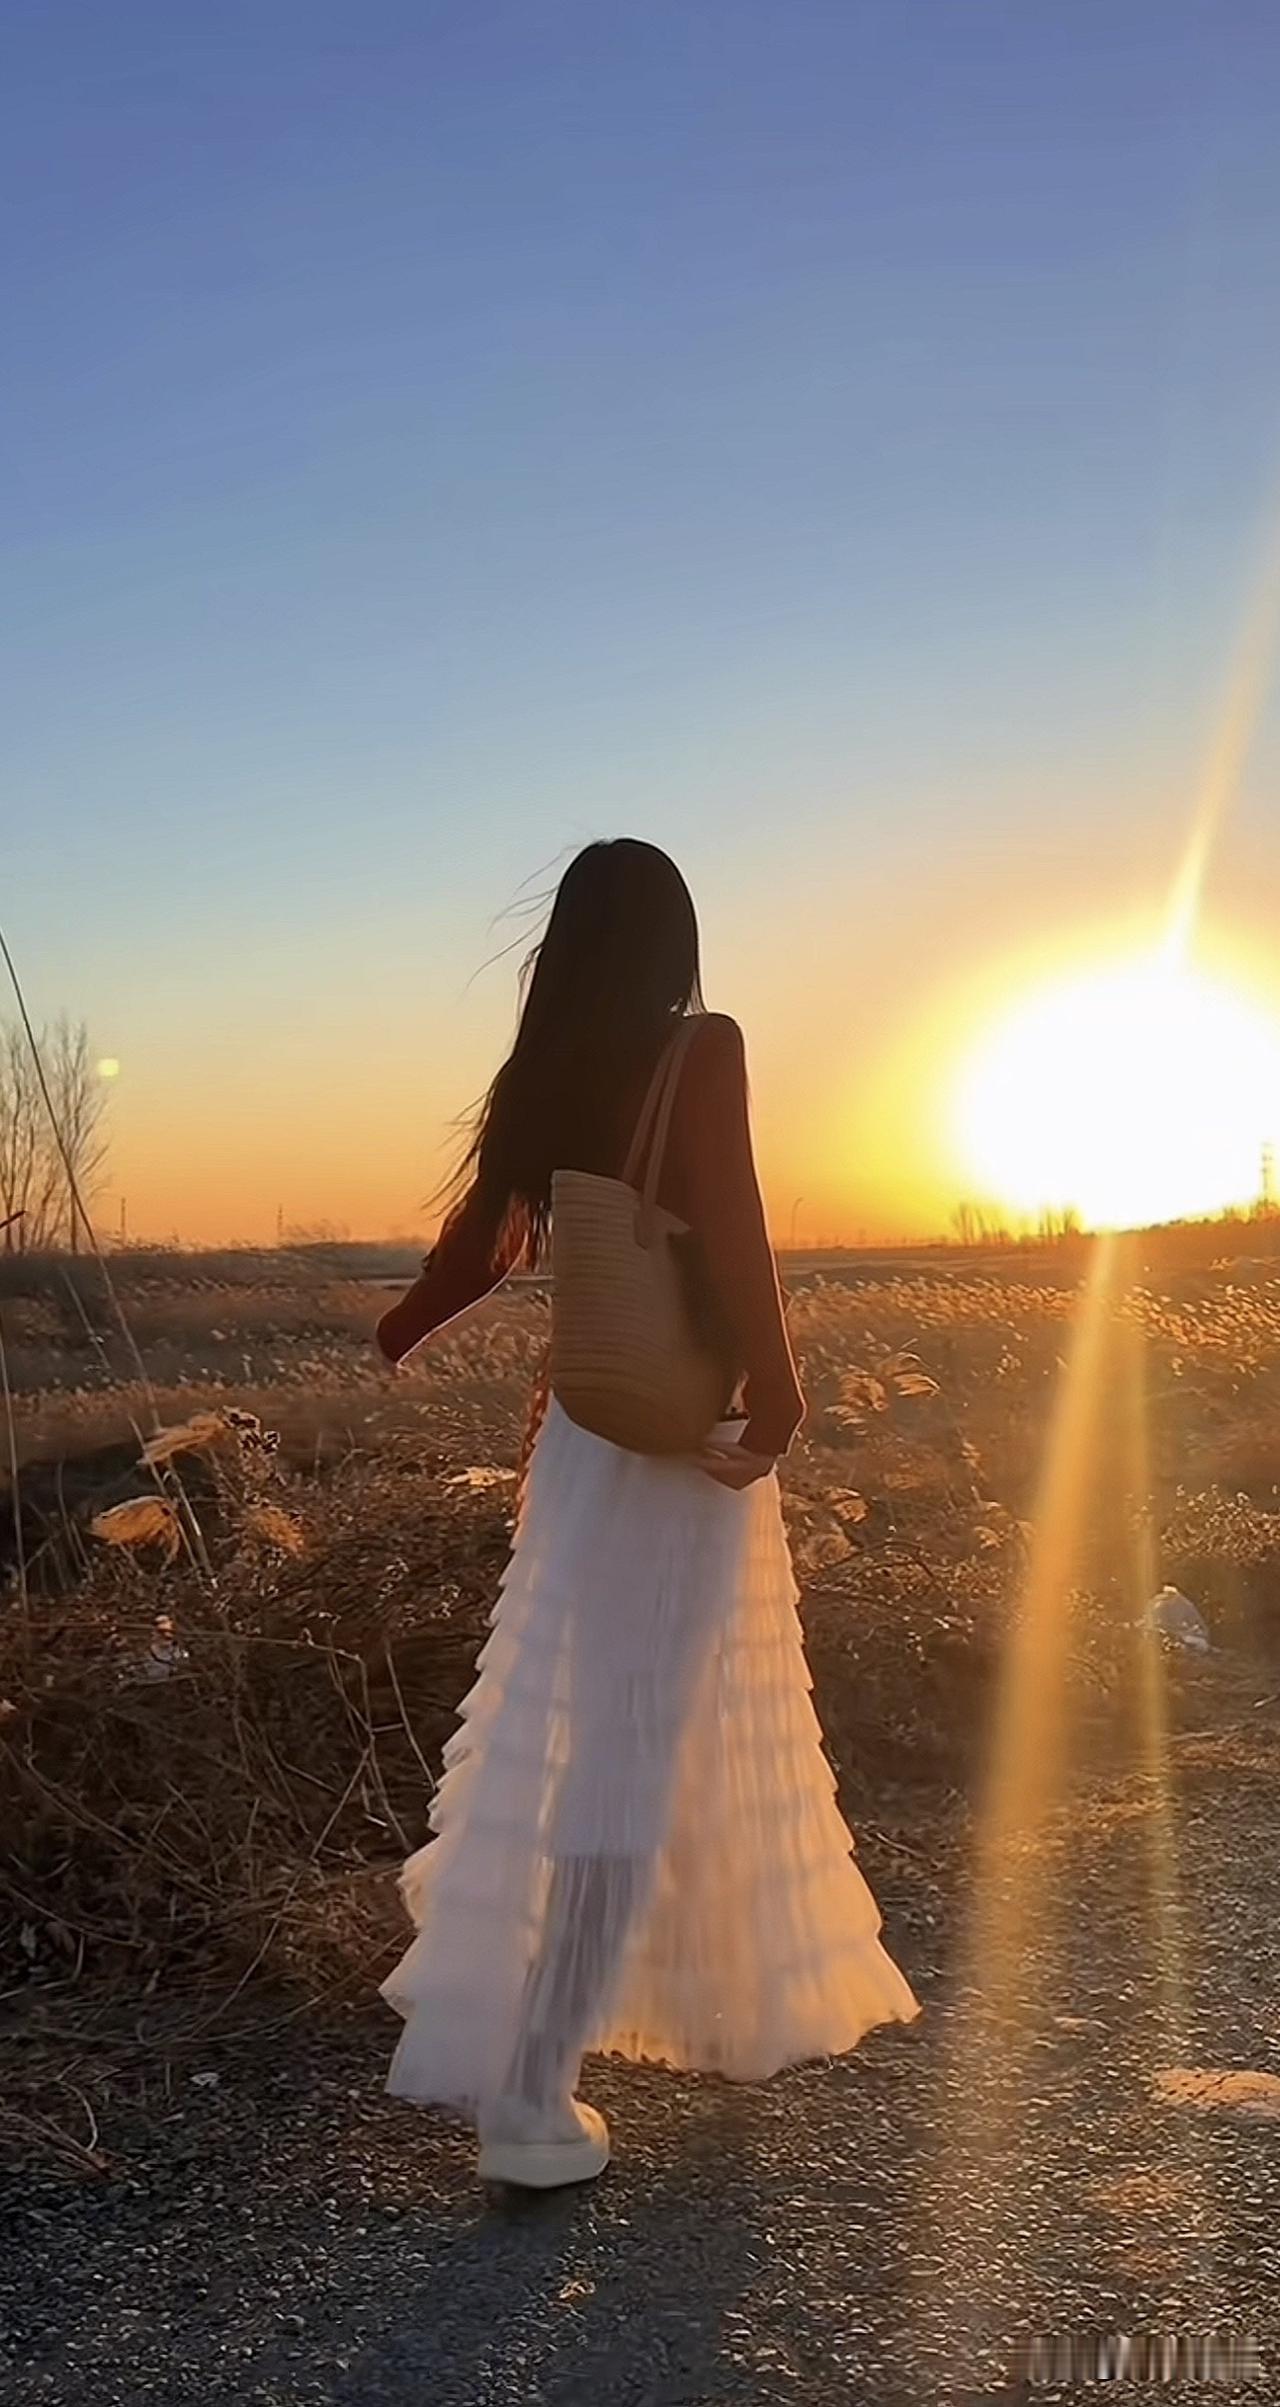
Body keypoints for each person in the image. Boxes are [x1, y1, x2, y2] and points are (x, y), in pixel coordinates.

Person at [376, 838, 919, 2188]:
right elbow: (734, 1227)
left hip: (582, 1436)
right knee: (630, 1745)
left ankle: (646, 2022)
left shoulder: (546, 1068)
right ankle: (530, 2093)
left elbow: (482, 1245)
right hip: (681, 1438)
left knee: (588, 1730)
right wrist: (779, 1395)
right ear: (674, 940)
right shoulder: (701, 1047)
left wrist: (399, 1330)